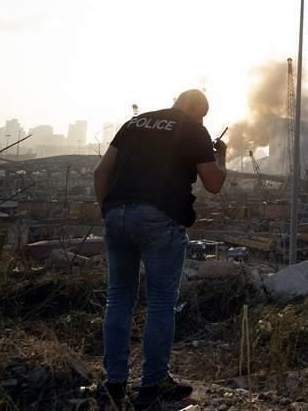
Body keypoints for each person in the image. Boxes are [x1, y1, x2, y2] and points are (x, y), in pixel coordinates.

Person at [93, 89, 227, 409]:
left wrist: (109, 214)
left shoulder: (134, 123)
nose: (202, 120)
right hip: (159, 219)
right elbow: (214, 183)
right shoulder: (192, 129)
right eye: (202, 114)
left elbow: (101, 173)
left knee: (119, 298)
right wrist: (222, 154)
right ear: (194, 107)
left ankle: (114, 382)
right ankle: (152, 386)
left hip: (116, 214)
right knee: (161, 302)